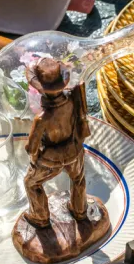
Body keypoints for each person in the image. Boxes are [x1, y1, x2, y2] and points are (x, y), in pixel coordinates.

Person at [23, 57, 90, 228]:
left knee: (31, 183)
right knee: (78, 179)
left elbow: (32, 148)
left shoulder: (42, 118)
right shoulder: (72, 102)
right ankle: (80, 210)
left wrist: (32, 156)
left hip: (51, 159)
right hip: (74, 150)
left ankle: (40, 217)